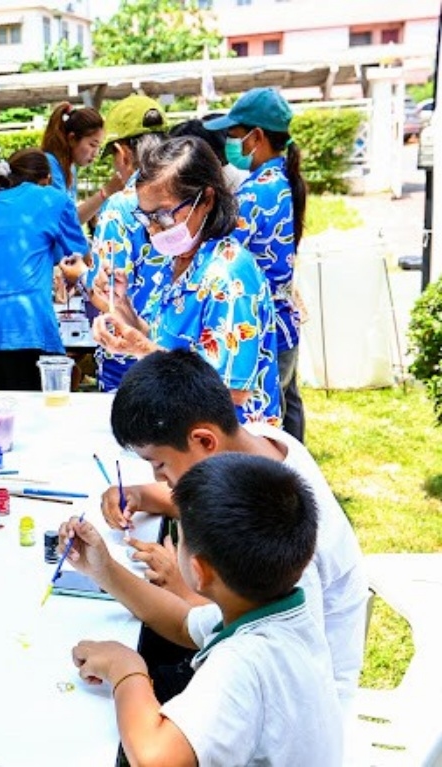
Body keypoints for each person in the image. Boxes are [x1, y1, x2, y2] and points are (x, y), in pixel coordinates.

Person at [95, 349, 367, 712]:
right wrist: (141, 495)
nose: (158, 476)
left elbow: (272, 637)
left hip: (294, 697)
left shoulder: (284, 537)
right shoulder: (258, 443)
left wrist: (185, 589)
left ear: (204, 441)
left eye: (159, 464)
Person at [66, 453, 343, 766]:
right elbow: (183, 623)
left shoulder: (244, 662)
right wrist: (104, 570)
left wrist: (125, 668)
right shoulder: (279, 613)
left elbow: (155, 758)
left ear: (199, 571)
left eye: (181, 538)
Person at [93, 136, 282, 426]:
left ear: (206, 200)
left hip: (229, 444)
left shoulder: (228, 275)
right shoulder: (178, 263)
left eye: (163, 215)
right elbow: (161, 339)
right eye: (146, 217)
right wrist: (122, 308)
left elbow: (231, 391)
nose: (154, 229)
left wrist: (142, 350)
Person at [207, 88, 309, 442]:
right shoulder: (282, 180)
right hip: (285, 321)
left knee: (266, 428)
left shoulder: (255, 192)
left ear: (257, 136)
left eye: (235, 135)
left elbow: (221, 254)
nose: (231, 144)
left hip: (266, 328)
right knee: (289, 409)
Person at [0, 149, 89, 390]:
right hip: (26, 323)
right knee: (36, 406)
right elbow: (80, 259)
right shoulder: (54, 199)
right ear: (47, 179)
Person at [85, 95, 168, 391]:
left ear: (122, 154)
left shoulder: (119, 207)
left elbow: (107, 295)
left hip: (127, 358)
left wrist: (80, 277)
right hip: (178, 352)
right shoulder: (187, 198)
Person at [41, 102, 123, 224]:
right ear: (72, 139)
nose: (96, 153)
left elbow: (72, 217)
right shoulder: (49, 165)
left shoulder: (69, 167)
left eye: (99, 147)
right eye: (92, 145)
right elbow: (66, 221)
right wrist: (106, 192)